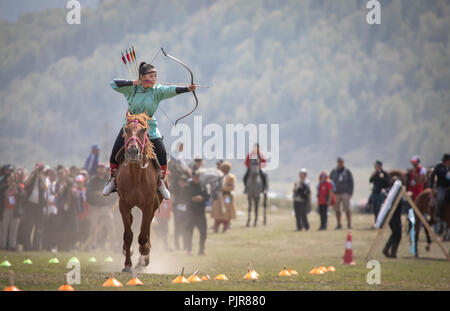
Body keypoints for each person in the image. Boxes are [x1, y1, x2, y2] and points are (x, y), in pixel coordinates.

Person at [102, 62, 197, 199]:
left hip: (149, 127)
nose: (154, 79)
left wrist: (187, 89)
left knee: (162, 153)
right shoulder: (131, 89)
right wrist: (133, 82)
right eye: (150, 76)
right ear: (141, 77)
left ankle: (161, 181)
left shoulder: (157, 90)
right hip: (130, 127)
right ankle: (113, 180)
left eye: (155, 76)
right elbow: (113, 84)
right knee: (115, 153)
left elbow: (171, 90)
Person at [19, 163, 47, 251]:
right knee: (28, 226)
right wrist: (33, 174)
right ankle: (26, 246)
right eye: (38, 169)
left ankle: (36, 246)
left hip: (38, 206)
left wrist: (41, 177)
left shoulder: (42, 178)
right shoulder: (31, 177)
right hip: (30, 204)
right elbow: (25, 184)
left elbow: (45, 188)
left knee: (38, 226)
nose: (39, 171)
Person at [185, 171, 210, 256]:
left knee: (203, 231)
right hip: (191, 212)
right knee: (189, 232)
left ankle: (201, 250)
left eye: (197, 176)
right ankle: (189, 250)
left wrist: (202, 198)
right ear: (192, 177)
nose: (196, 178)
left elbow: (207, 196)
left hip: (201, 212)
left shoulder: (203, 186)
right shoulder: (188, 186)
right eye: (194, 176)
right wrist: (192, 199)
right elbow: (184, 197)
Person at [211, 161, 237, 233]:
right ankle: (216, 227)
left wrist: (223, 188)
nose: (225, 169)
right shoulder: (218, 176)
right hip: (219, 196)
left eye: (227, 168)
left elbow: (232, 187)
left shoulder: (231, 177)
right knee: (217, 211)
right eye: (224, 168)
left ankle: (225, 227)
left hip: (227, 196)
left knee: (227, 211)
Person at [0, 173, 23, 250]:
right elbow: (2, 196)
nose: (11, 179)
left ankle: (12, 245)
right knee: (4, 228)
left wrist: (15, 189)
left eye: (13, 177)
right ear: (7, 179)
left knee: (14, 229)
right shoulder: (3, 187)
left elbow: (22, 196)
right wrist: (8, 189)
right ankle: (2, 245)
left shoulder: (18, 187)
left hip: (15, 211)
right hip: (5, 210)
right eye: (10, 177)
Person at [329, 157, 354, 229]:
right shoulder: (334, 171)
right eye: (339, 162)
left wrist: (350, 192)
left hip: (345, 193)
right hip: (336, 193)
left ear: (343, 162)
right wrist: (331, 193)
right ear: (337, 162)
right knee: (337, 209)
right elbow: (330, 182)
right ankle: (339, 224)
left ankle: (349, 224)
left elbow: (351, 182)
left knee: (347, 209)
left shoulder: (347, 171)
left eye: (341, 162)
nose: (340, 163)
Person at [429, 153, 450, 233]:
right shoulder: (439, 167)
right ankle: (437, 214)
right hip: (441, 187)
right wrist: (431, 187)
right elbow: (432, 176)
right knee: (440, 198)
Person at [369, 160, 390, 225]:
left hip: (381, 194)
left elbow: (387, 183)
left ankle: (381, 222)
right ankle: (376, 222)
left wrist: (382, 177)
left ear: (380, 166)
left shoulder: (384, 173)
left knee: (380, 209)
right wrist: (372, 176)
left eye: (376, 166)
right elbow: (370, 181)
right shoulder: (375, 173)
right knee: (375, 209)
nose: (375, 167)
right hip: (374, 193)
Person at [173, 175, 190, 251]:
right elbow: (174, 200)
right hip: (177, 212)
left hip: (186, 212)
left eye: (183, 181)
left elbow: (189, 200)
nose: (181, 183)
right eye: (180, 181)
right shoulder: (176, 189)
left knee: (185, 229)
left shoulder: (188, 189)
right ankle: (177, 246)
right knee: (177, 229)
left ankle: (185, 245)